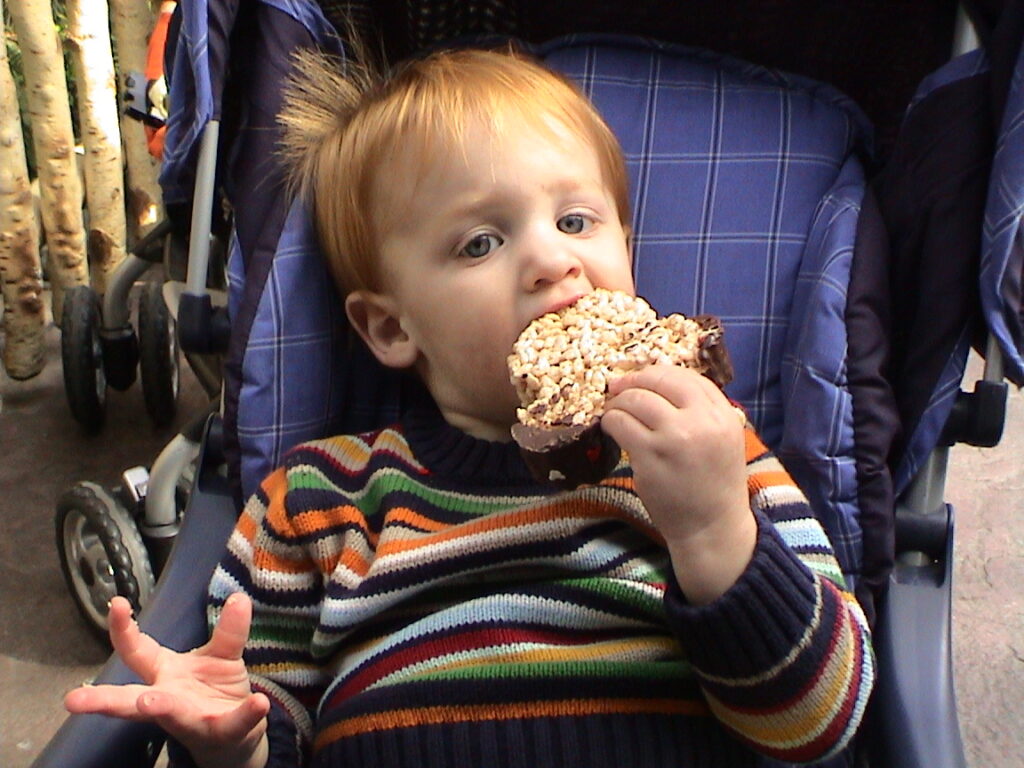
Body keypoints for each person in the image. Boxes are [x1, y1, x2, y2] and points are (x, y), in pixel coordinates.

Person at [65, 44, 874, 768]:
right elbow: (275, 716)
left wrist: (712, 533)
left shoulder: (704, 447)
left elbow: (821, 724)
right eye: (480, 243)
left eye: (576, 219)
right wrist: (234, 740)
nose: (553, 260)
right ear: (389, 325)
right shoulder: (317, 500)